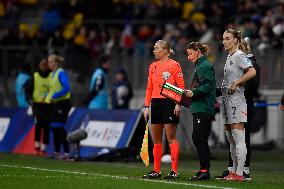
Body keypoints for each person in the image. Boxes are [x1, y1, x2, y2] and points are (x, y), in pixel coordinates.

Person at [215, 37, 260, 180]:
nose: (224, 42)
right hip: (230, 101)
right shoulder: (231, 57)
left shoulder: (244, 59)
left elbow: (253, 82)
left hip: (241, 102)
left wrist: (237, 85)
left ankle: (242, 171)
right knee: (232, 139)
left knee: (241, 138)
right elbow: (227, 84)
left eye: (227, 39)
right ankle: (233, 170)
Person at [143, 40, 185, 179]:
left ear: (165, 51)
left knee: (171, 138)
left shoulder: (174, 65)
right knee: (157, 139)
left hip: (169, 103)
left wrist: (178, 103)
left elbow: (180, 87)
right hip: (155, 103)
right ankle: (156, 170)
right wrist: (147, 106)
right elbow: (149, 87)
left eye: (156, 48)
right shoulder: (152, 66)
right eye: (154, 48)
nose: (154, 50)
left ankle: (174, 171)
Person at [185, 42, 216, 181]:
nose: (188, 57)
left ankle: (205, 171)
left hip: (203, 107)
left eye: (190, 53)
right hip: (199, 107)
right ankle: (203, 170)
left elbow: (208, 86)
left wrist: (193, 92)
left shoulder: (204, 66)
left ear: (198, 52)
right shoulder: (201, 66)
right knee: (199, 138)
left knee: (199, 138)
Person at [45, 54, 72, 160]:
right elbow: (52, 90)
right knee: (54, 127)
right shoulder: (52, 75)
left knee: (59, 127)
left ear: (56, 63)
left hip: (63, 103)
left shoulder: (61, 73)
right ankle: (56, 152)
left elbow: (67, 88)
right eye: (48, 62)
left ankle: (66, 152)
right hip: (56, 104)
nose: (49, 64)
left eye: (51, 61)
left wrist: (55, 96)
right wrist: (46, 97)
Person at [25, 58, 52, 156]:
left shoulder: (51, 76)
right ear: (39, 65)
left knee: (47, 127)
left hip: (49, 105)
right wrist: (29, 99)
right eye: (42, 64)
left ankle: (43, 149)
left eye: (45, 64)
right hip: (37, 105)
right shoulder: (35, 76)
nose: (44, 66)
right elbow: (27, 90)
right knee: (38, 125)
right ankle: (36, 148)